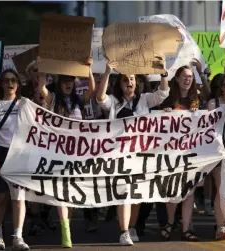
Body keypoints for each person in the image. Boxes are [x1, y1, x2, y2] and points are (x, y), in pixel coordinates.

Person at [95, 58, 169, 246]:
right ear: (119, 84)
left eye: (133, 79)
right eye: (125, 79)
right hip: (118, 154)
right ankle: (124, 231)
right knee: (124, 192)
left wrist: (163, 73)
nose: (130, 82)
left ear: (137, 82)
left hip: (140, 154)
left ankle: (131, 226)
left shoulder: (144, 100)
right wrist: (106, 72)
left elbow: (162, 94)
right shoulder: (113, 102)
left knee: (135, 194)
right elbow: (100, 99)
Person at [38, 56, 95, 248]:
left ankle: (67, 225)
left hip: (77, 153)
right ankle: (66, 234)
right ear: (60, 84)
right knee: (62, 193)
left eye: (70, 81)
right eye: (64, 81)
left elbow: (92, 91)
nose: (68, 84)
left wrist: (89, 69)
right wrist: (43, 69)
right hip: (58, 153)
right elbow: (42, 89)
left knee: (70, 194)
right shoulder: (53, 100)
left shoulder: (78, 100)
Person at [0, 69, 29, 250]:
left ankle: (17, 237)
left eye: (13, 81)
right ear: (1, 84)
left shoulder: (25, 104)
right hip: (0, 153)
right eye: (6, 80)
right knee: (1, 196)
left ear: (18, 84)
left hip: (19, 154)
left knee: (18, 198)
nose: (10, 84)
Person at [160, 65, 201, 242]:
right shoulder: (168, 99)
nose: (187, 79)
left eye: (190, 76)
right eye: (184, 76)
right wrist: (165, 113)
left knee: (189, 191)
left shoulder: (197, 100)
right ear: (176, 78)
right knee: (171, 188)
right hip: (171, 153)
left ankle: (186, 228)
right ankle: (170, 222)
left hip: (191, 153)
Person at [205, 72, 225, 240]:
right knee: (221, 186)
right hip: (218, 151)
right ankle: (220, 226)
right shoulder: (213, 104)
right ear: (221, 88)